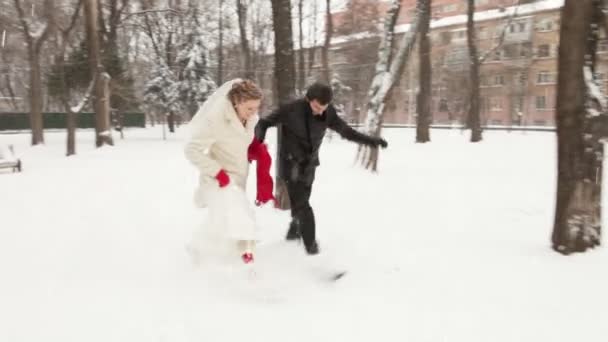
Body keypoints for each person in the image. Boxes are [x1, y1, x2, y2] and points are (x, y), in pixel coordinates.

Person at [251, 82, 388, 255]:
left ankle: (294, 230)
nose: (320, 111)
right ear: (308, 100)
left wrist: (372, 141)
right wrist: (259, 141)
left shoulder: (328, 113)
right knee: (303, 205)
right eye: (316, 106)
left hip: (309, 165)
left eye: (323, 107)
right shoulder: (291, 110)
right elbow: (263, 123)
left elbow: (346, 132)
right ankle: (312, 249)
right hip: (291, 164)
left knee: (303, 200)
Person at [184, 79, 275, 265]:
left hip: (238, 178)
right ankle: (246, 260)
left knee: (220, 223)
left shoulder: (251, 118)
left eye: (257, 108)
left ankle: (199, 251)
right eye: (250, 108)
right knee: (241, 217)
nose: (254, 113)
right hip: (219, 181)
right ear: (236, 102)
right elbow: (191, 150)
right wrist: (218, 173)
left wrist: (257, 149)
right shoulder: (216, 120)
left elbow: (240, 142)